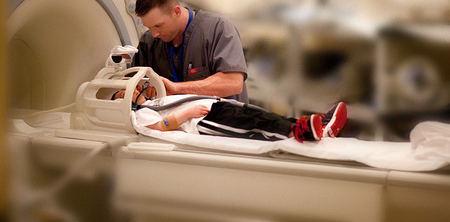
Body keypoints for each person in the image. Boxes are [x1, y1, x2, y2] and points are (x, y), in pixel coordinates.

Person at [132, 0, 249, 102]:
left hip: (221, 118)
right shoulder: (148, 43)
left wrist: (177, 88)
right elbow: (129, 85)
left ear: (176, 12)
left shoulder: (218, 29)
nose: (154, 34)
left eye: (158, 26)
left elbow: (233, 83)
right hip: (174, 119)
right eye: (149, 27)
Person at [112, 86, 347, 143]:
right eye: (125, 93)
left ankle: (315, 126)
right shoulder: (140, 115)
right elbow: (158, 128)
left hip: (216, 106)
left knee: (263, 116)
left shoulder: (156, 100)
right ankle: (297, 132)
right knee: (251, 126)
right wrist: (187, 113)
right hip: (204, 120)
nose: (135, 89)